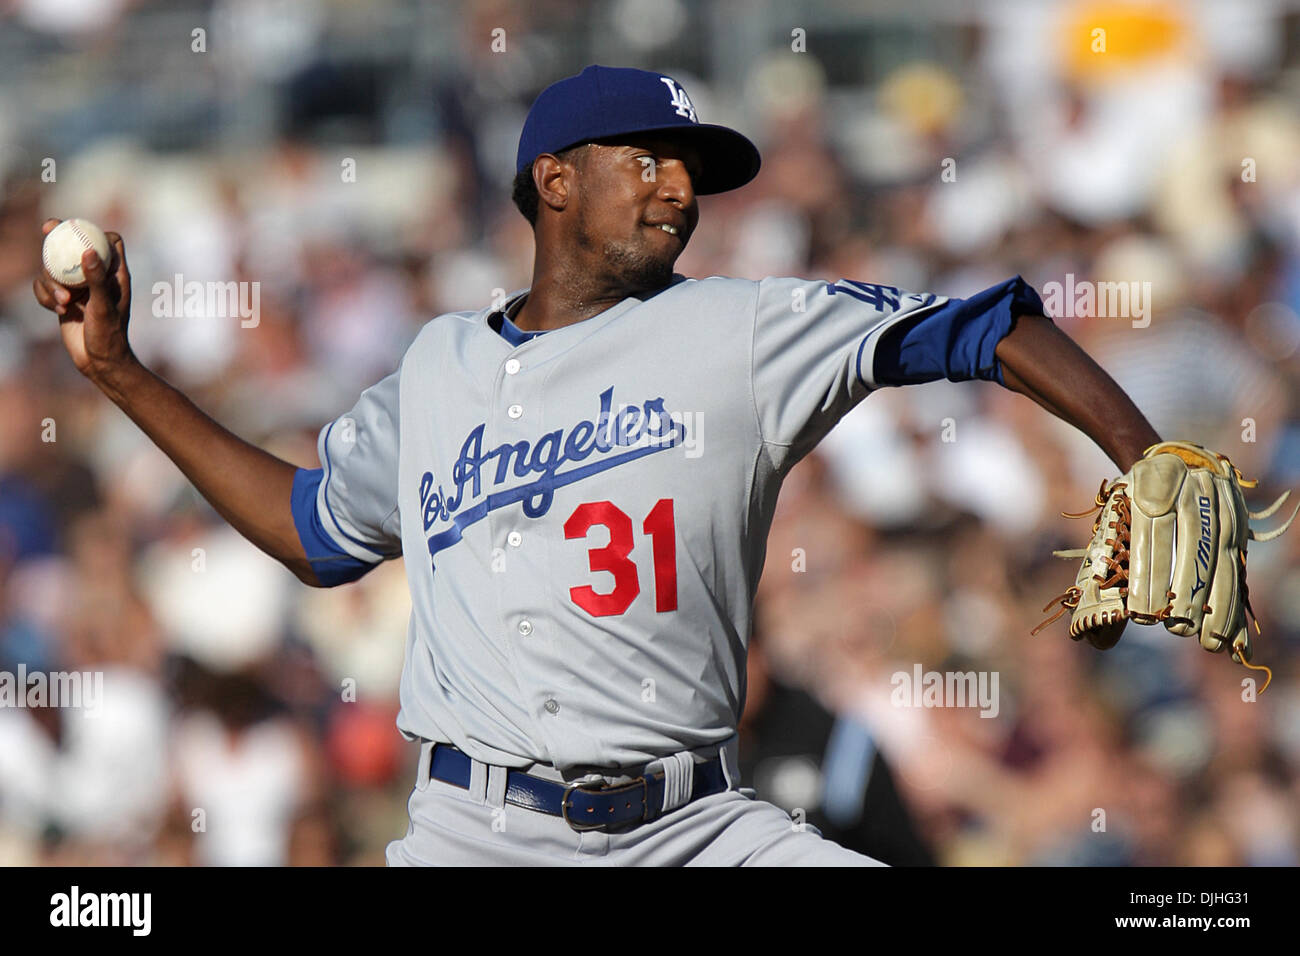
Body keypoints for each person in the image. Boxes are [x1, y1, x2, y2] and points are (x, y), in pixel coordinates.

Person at [33, 65, 1163, 866]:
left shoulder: (743, 328)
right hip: (476, 833)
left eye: (690, 170)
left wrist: (1142, 452)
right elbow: (312, 530)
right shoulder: (434, 368)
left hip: (698, 826)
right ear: (555, 181)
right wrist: (124, 376)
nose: (680, 187)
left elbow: (979, 325)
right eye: (649, 159)